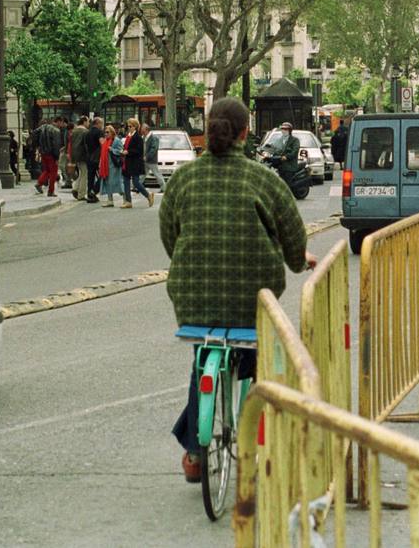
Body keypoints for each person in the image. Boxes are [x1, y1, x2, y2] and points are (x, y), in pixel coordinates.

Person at [160, 96, 316, 483]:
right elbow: (292, 234)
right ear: (246, 133)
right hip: (252, 300)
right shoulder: (262, 179)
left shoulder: (184, 178)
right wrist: (299, 262)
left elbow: (169, 234)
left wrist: (189, 261)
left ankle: (195, 451)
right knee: (259, 356)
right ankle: (258, 438)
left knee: (205, 357)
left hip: (193, 298)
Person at [121, 117, 154, 208]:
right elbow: (126, 147)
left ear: (135, 127)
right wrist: (123, 150)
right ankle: (128, 201)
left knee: (136, 182)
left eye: (130, 126)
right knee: (126, 181)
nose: (129, 128)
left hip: (135, 163)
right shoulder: (128, 136)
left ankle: (148, 195)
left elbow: (139, 151)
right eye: (128, 126)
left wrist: (128, 152)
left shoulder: (138, 137)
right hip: (127, 162)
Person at [35, 117, 62, 197]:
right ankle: (51, 191)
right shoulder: (56, 131)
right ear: (58, 122)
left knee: (47, 170)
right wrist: (57, 157)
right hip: (52, 154)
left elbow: (35, 133)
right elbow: (56, 145)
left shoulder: (43, 128)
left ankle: (39, 182)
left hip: (43, 152)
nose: (61, 125)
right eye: (60, 123)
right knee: (53, 172)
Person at [100, 124, 124, 206]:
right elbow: (102, 154)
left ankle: (125, 199)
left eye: (107, 132)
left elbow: (121, 151)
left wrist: (112, 150)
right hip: (106, 166)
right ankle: (110, 200)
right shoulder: (105, 141)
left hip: (114, 165)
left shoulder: (116, 140)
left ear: (112, 132)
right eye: (105, 132)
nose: (106, 134)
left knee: (117, 182)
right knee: (107, 183)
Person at [84, 116, 105, 204]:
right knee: (103, 176)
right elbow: (102, 144)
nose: (102, 125)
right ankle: (94, 191)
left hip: (89, 157)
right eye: (101, 123)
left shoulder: (88, 133)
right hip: (97, 157)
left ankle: (89, 194)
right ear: (98, 123)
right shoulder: (99, 132)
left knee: (90, 177)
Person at [70, 116, 90, 202]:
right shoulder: (85, 131)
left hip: (75, 155)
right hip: (83, 155)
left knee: (81, 173)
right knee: (84, 174)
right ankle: (81, 194)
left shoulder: (74, 131)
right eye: (88, 122)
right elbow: (86, 145)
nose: (88, 124)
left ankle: (75, 187)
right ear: (84, 122)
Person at [142, 123, 165, 190]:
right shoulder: (144, 137)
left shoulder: (154, 138)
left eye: (142, 128)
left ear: (146, 129)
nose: (141, 129)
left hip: (151, 160)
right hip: (145, 160)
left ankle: (164, 188)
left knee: (157, 174)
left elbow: (154, 149)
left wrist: (147, 156)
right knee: (142, 175)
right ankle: (137, 187)